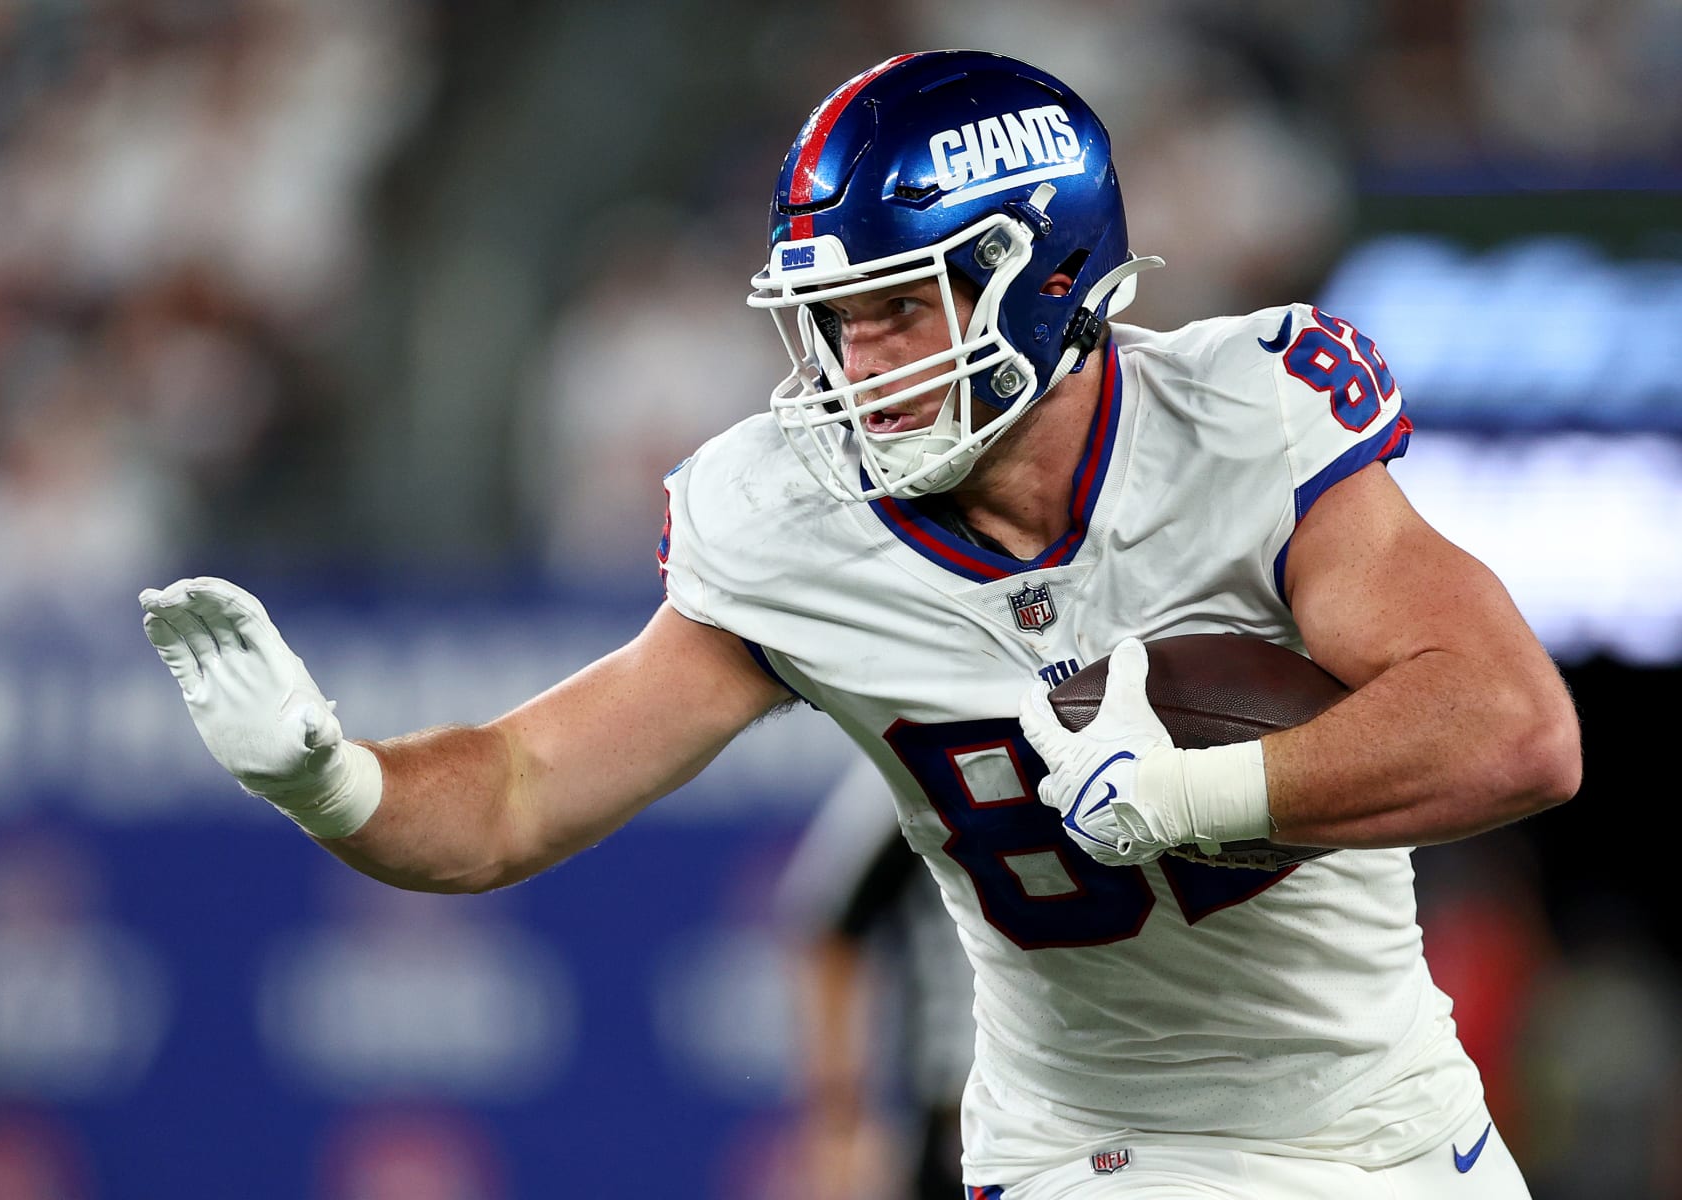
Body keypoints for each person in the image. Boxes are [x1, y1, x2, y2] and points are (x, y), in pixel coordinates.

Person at [139, 50, 1582, 1199]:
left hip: (1391, 1122)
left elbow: (1516, 730)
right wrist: (331, 780)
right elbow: (515, 794)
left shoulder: (1242, 423)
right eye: (835, 317)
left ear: (1046, 273)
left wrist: (1194, 794)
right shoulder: (786, 521)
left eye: (899, 307)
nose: (856, 363)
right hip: (1097, 1149)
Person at [777, 756, 975, 1199]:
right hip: (964, 1108)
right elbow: (828, 925)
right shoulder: (916, 755)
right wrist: (839, 1121)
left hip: (1113, 1087)